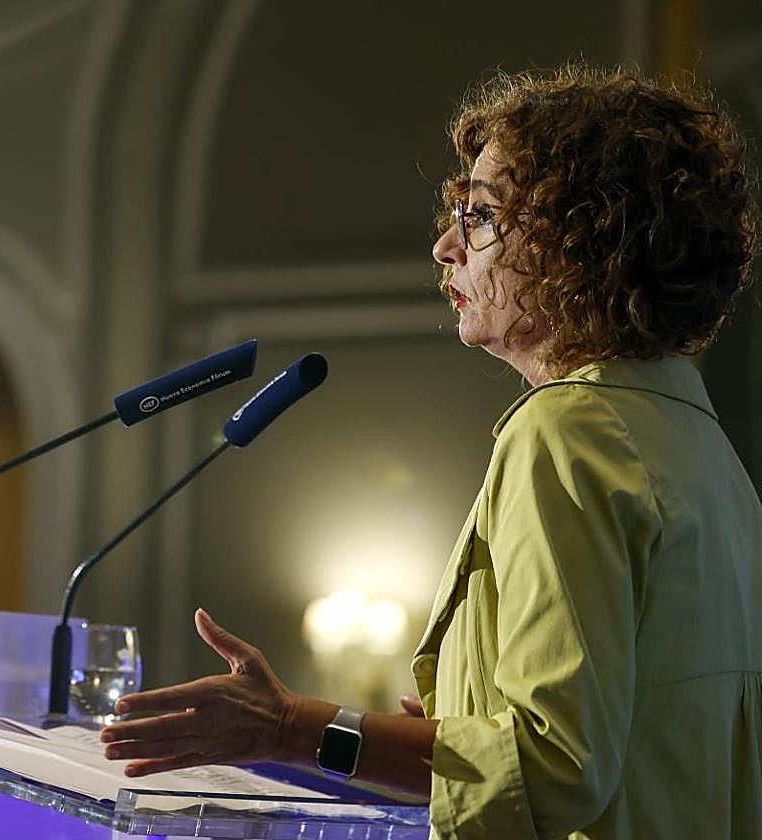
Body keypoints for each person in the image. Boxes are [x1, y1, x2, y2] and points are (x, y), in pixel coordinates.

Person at [99, 64, 762, 839]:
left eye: (479, 217)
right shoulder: (700, 443)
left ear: (583, 240)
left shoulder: (567, 431)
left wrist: (289, 727)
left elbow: (554, 768)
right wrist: (440, 733)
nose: (446, 245)